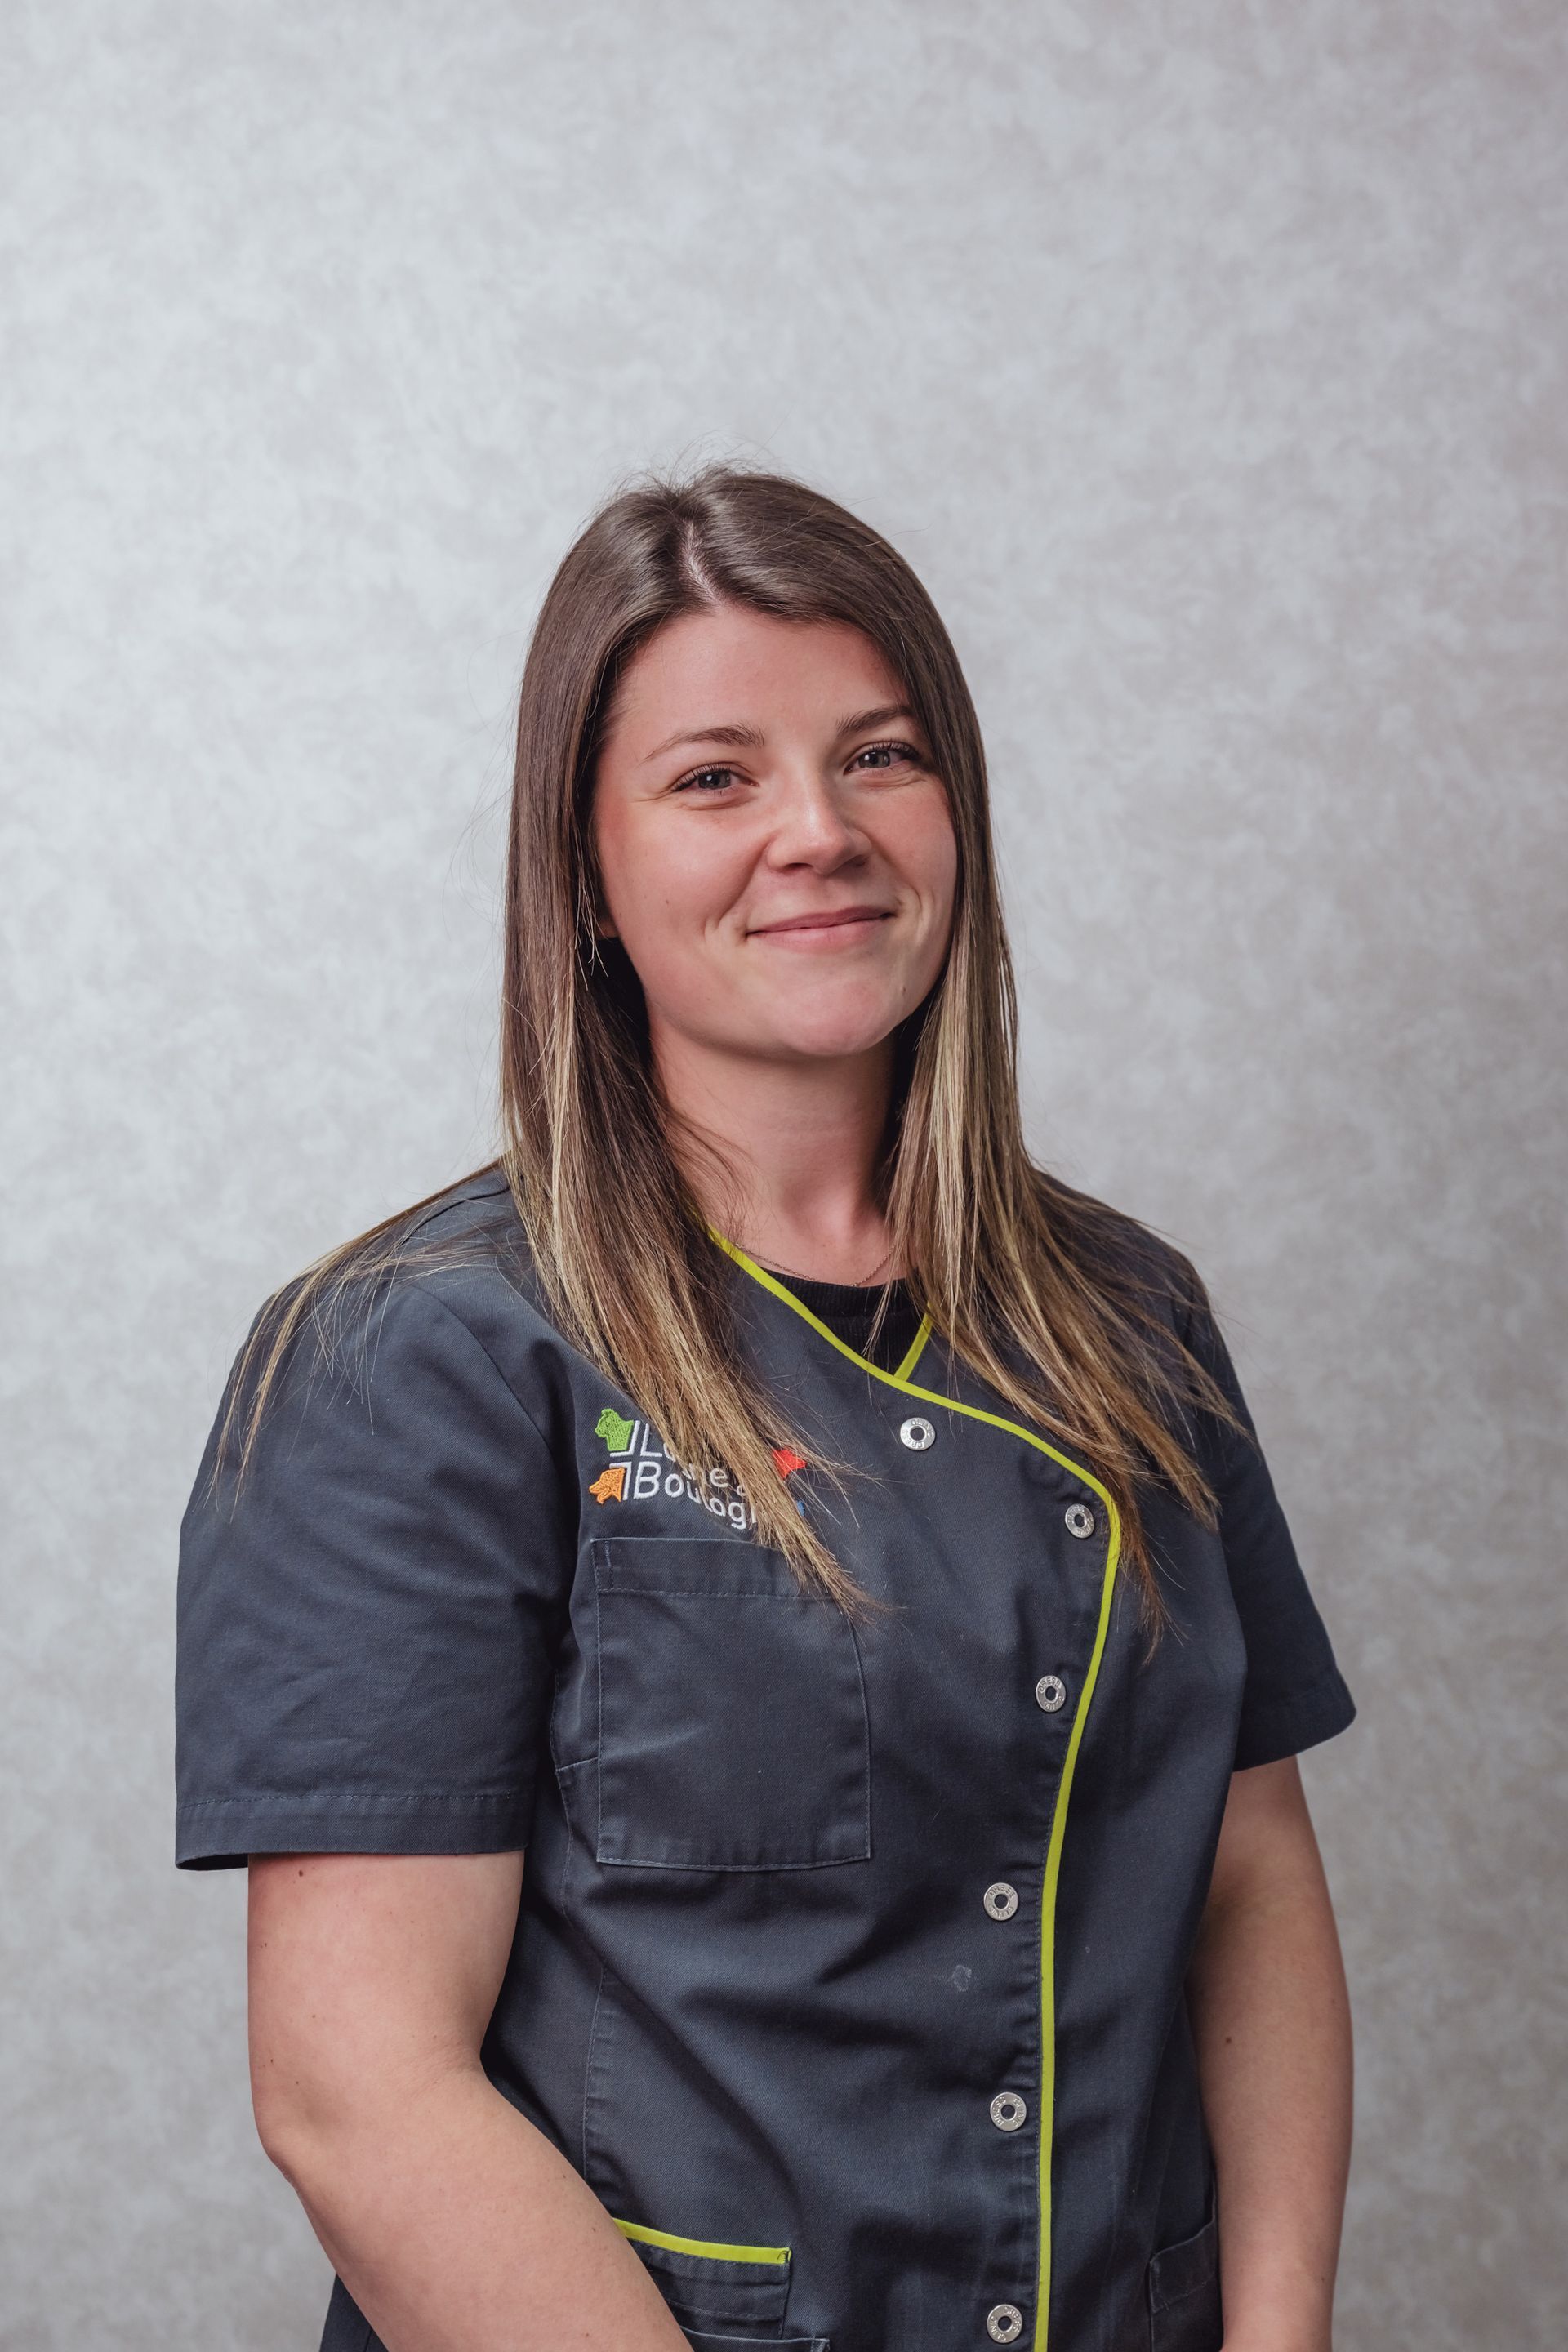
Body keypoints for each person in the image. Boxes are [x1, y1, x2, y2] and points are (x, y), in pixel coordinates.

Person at [175, 465, 1356, 2352]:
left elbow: (1250, 1879)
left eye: (881, 758)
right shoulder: (421, 1357)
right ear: (585, 868)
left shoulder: (1132, 1321)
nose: (820, 832)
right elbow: (360, 2095)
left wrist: (1278, 2332)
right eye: (715, 777)